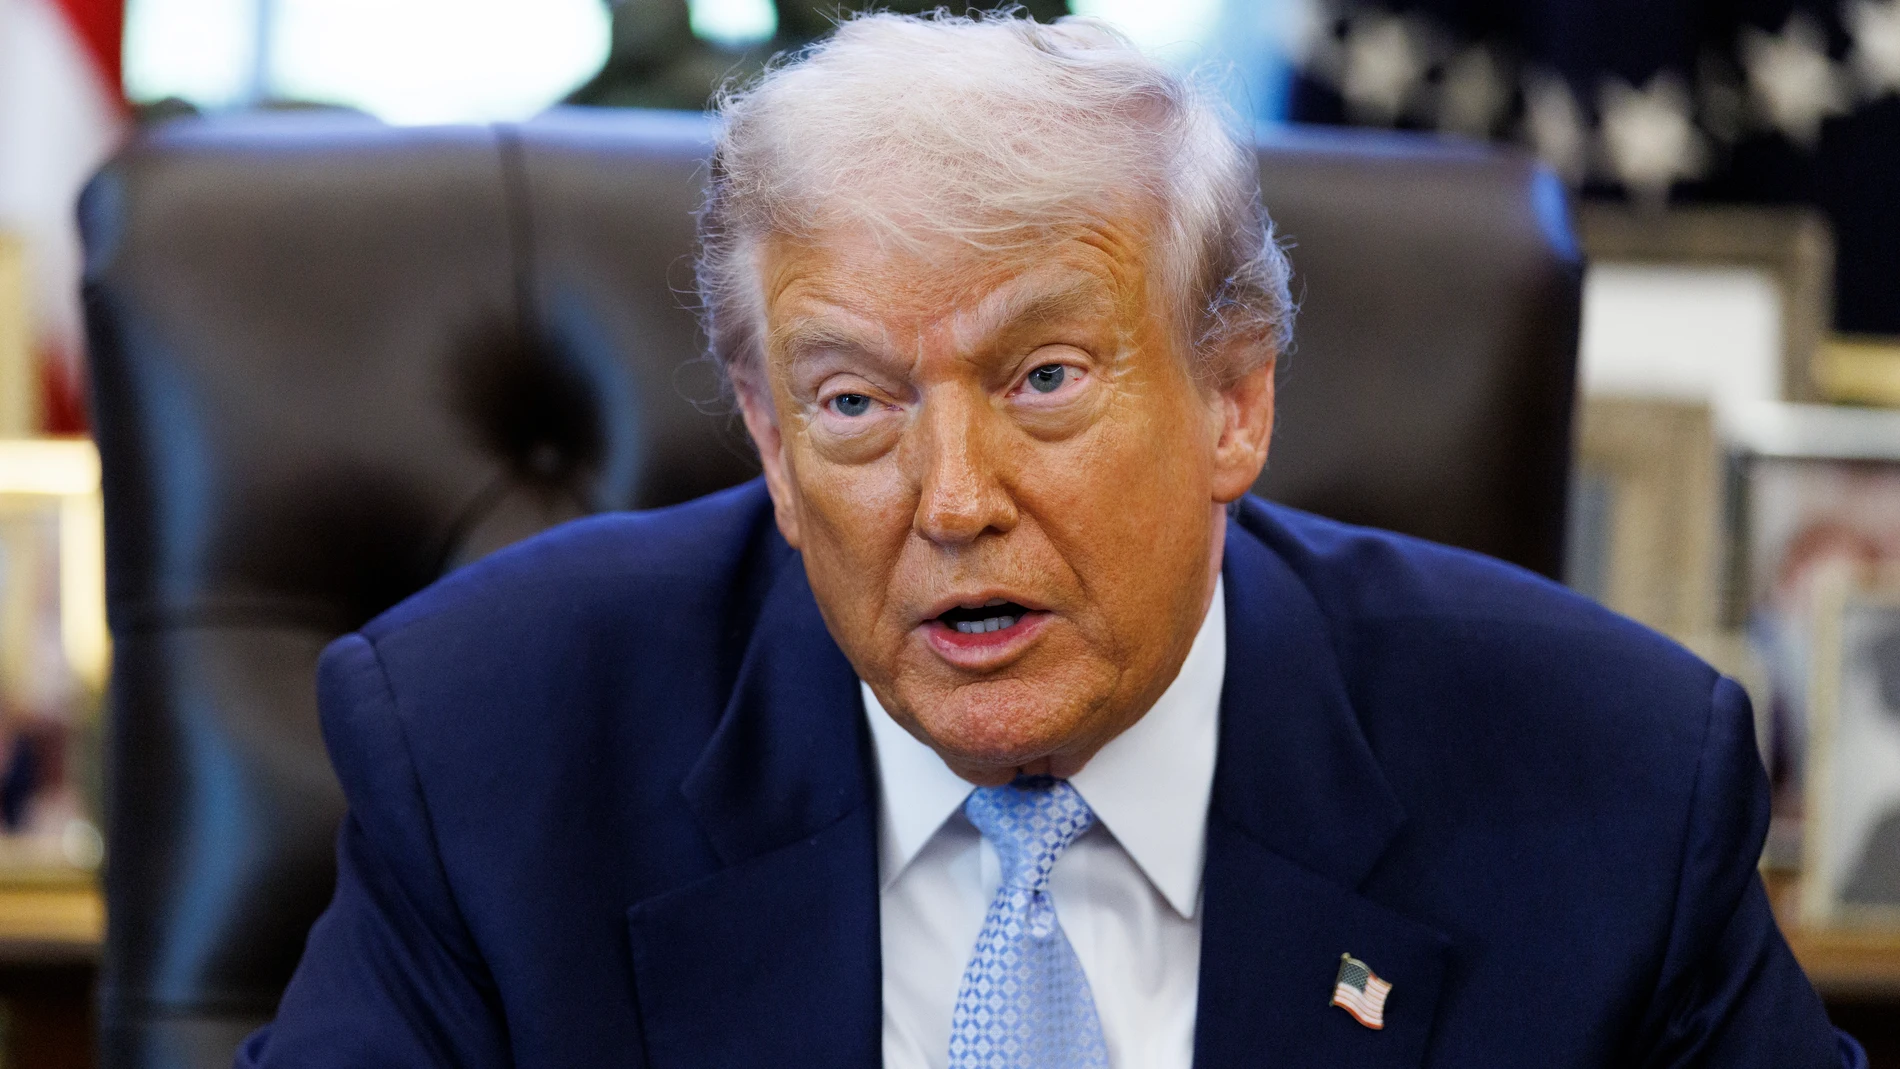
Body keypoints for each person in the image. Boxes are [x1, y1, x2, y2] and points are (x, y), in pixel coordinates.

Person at [236, 11, 1863, 1068]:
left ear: (1235, 398)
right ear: (770, 445)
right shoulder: (486, 750)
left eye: (1044, 378)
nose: (953, 499)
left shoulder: (1612, 786)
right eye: (856, 403)